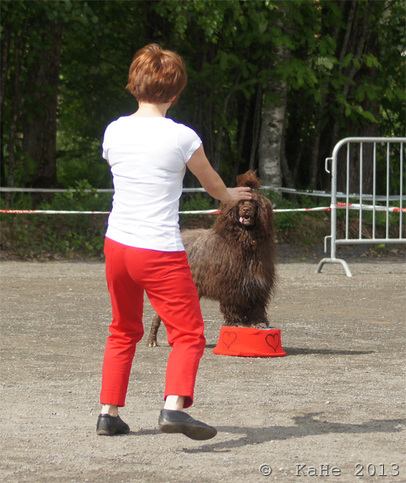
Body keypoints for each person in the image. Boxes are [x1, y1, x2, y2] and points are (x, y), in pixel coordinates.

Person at [97, 43, 252, 440]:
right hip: (158, 248)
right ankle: (174, 407)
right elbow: (211, 183)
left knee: (122, 329)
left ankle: (108, 413)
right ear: (176, 92)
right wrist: (231, 196)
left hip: (117, 244)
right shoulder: (182, 137)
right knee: (188, 333)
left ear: (134, 84)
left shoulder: (114, 129)